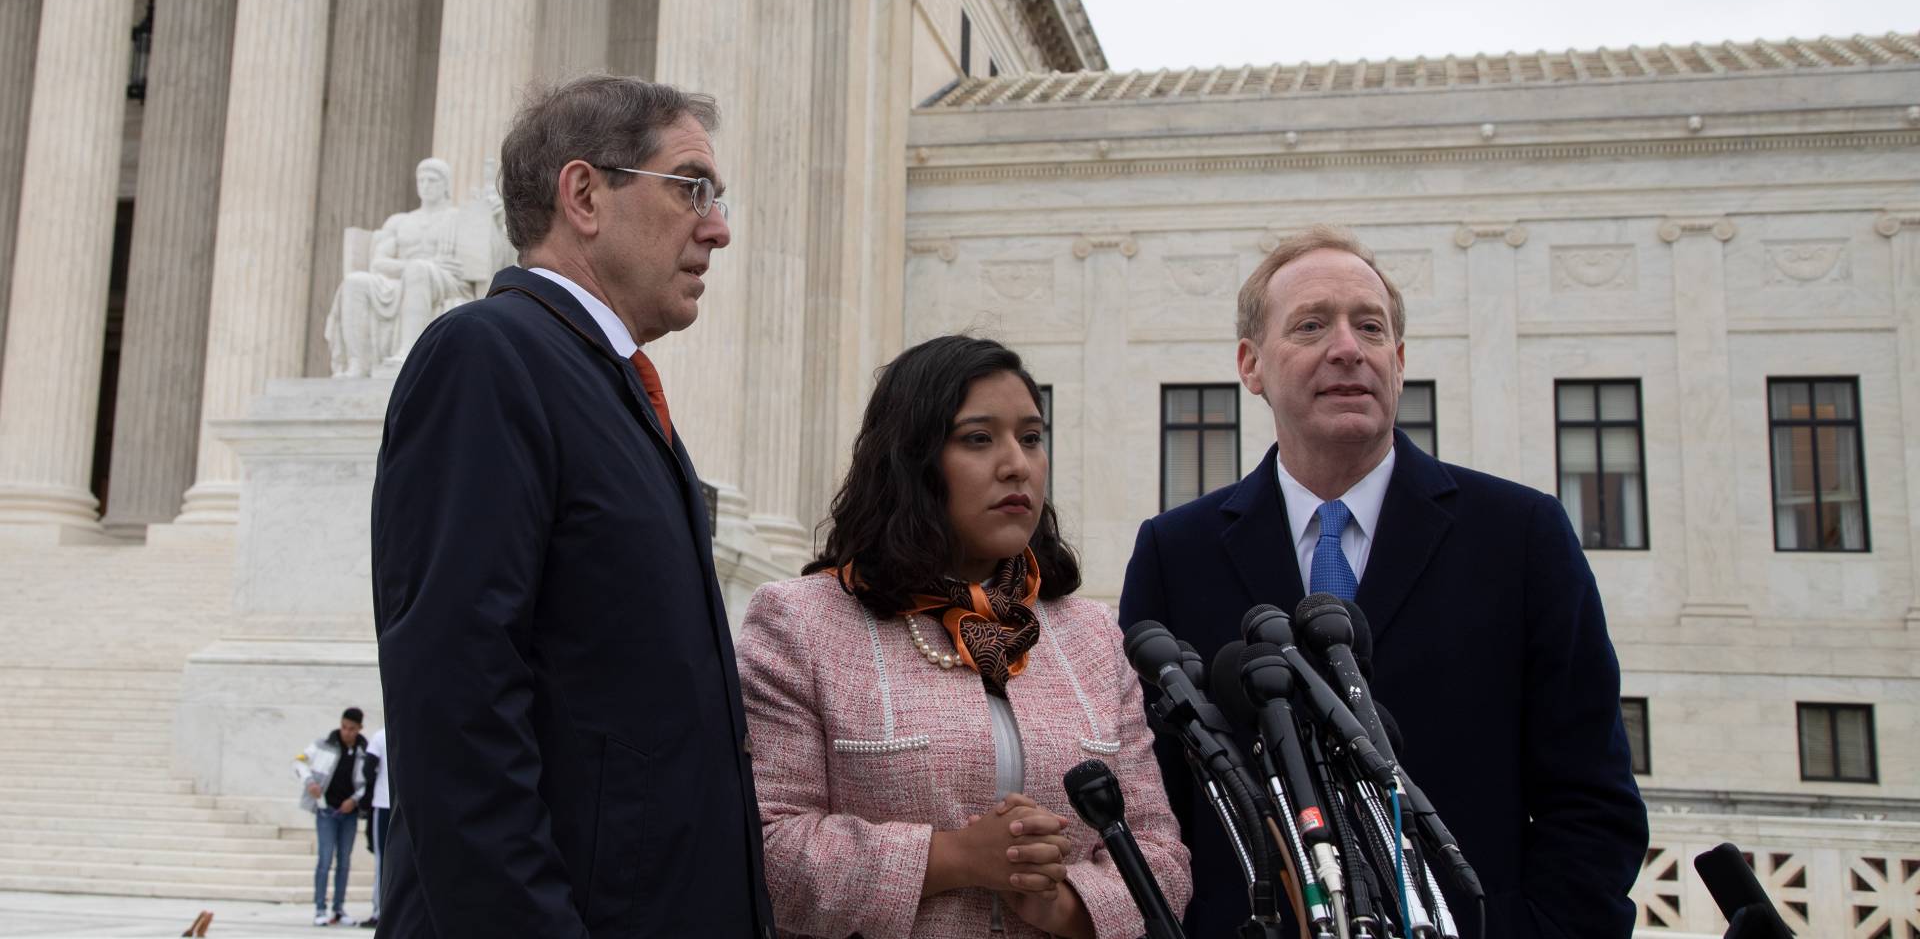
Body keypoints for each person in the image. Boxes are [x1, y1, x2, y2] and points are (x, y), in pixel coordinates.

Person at [1119, 226, 1648, 939]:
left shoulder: (1522, 536)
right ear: (1251, 365)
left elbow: (1592, 803)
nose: (1347, 347)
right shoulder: (1174, 553)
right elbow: (1157, 805)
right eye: (1311, 325)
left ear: (1397, 361)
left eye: (1370, 327)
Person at [371, 76, 773, 938]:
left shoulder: (606, 385)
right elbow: (457, 709)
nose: (719, 227)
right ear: (585, 194)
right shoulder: (485, 356)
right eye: (692, 187)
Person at [738, 335, 1191, 938]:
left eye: (1031, 438)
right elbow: (765, 849)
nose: (1017, 464)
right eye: (979, 438)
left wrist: (1064, 906)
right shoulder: (801, 624)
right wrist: (951, 858)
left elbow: (1162, 855)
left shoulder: (1090, 636)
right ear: (911, 459)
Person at [325, 158, 472, 376]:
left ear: (446, 185)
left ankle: (408, 352)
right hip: (401, 279)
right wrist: (410, 266)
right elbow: (378, 262)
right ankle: (358, 362)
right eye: (421, 180)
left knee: (419, 270)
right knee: (355, 282)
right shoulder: (400, 222)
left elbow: (477, 258)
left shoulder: (459, 218)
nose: (426, 185)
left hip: (446, 280)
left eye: (432, 180)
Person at [293, 707, 376, 927]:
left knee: (344, 861)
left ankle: (338, 909)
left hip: (348, 813)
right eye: (344, 727)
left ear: (359, 729)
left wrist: (355, 800)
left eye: (352, 729)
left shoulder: (363, 751)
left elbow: (367, 782)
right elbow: (300, 761)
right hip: (326, 811)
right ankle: (320, 908)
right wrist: (310, 782)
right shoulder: (324, 744)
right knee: (325, 859)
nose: (347, 732)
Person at [361, 725, 388, 929]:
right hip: (404, 806)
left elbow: (367, 770)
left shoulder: (379, 737)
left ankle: (379, 911)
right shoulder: (409, 732)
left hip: (383, 805)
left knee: (382, 860)